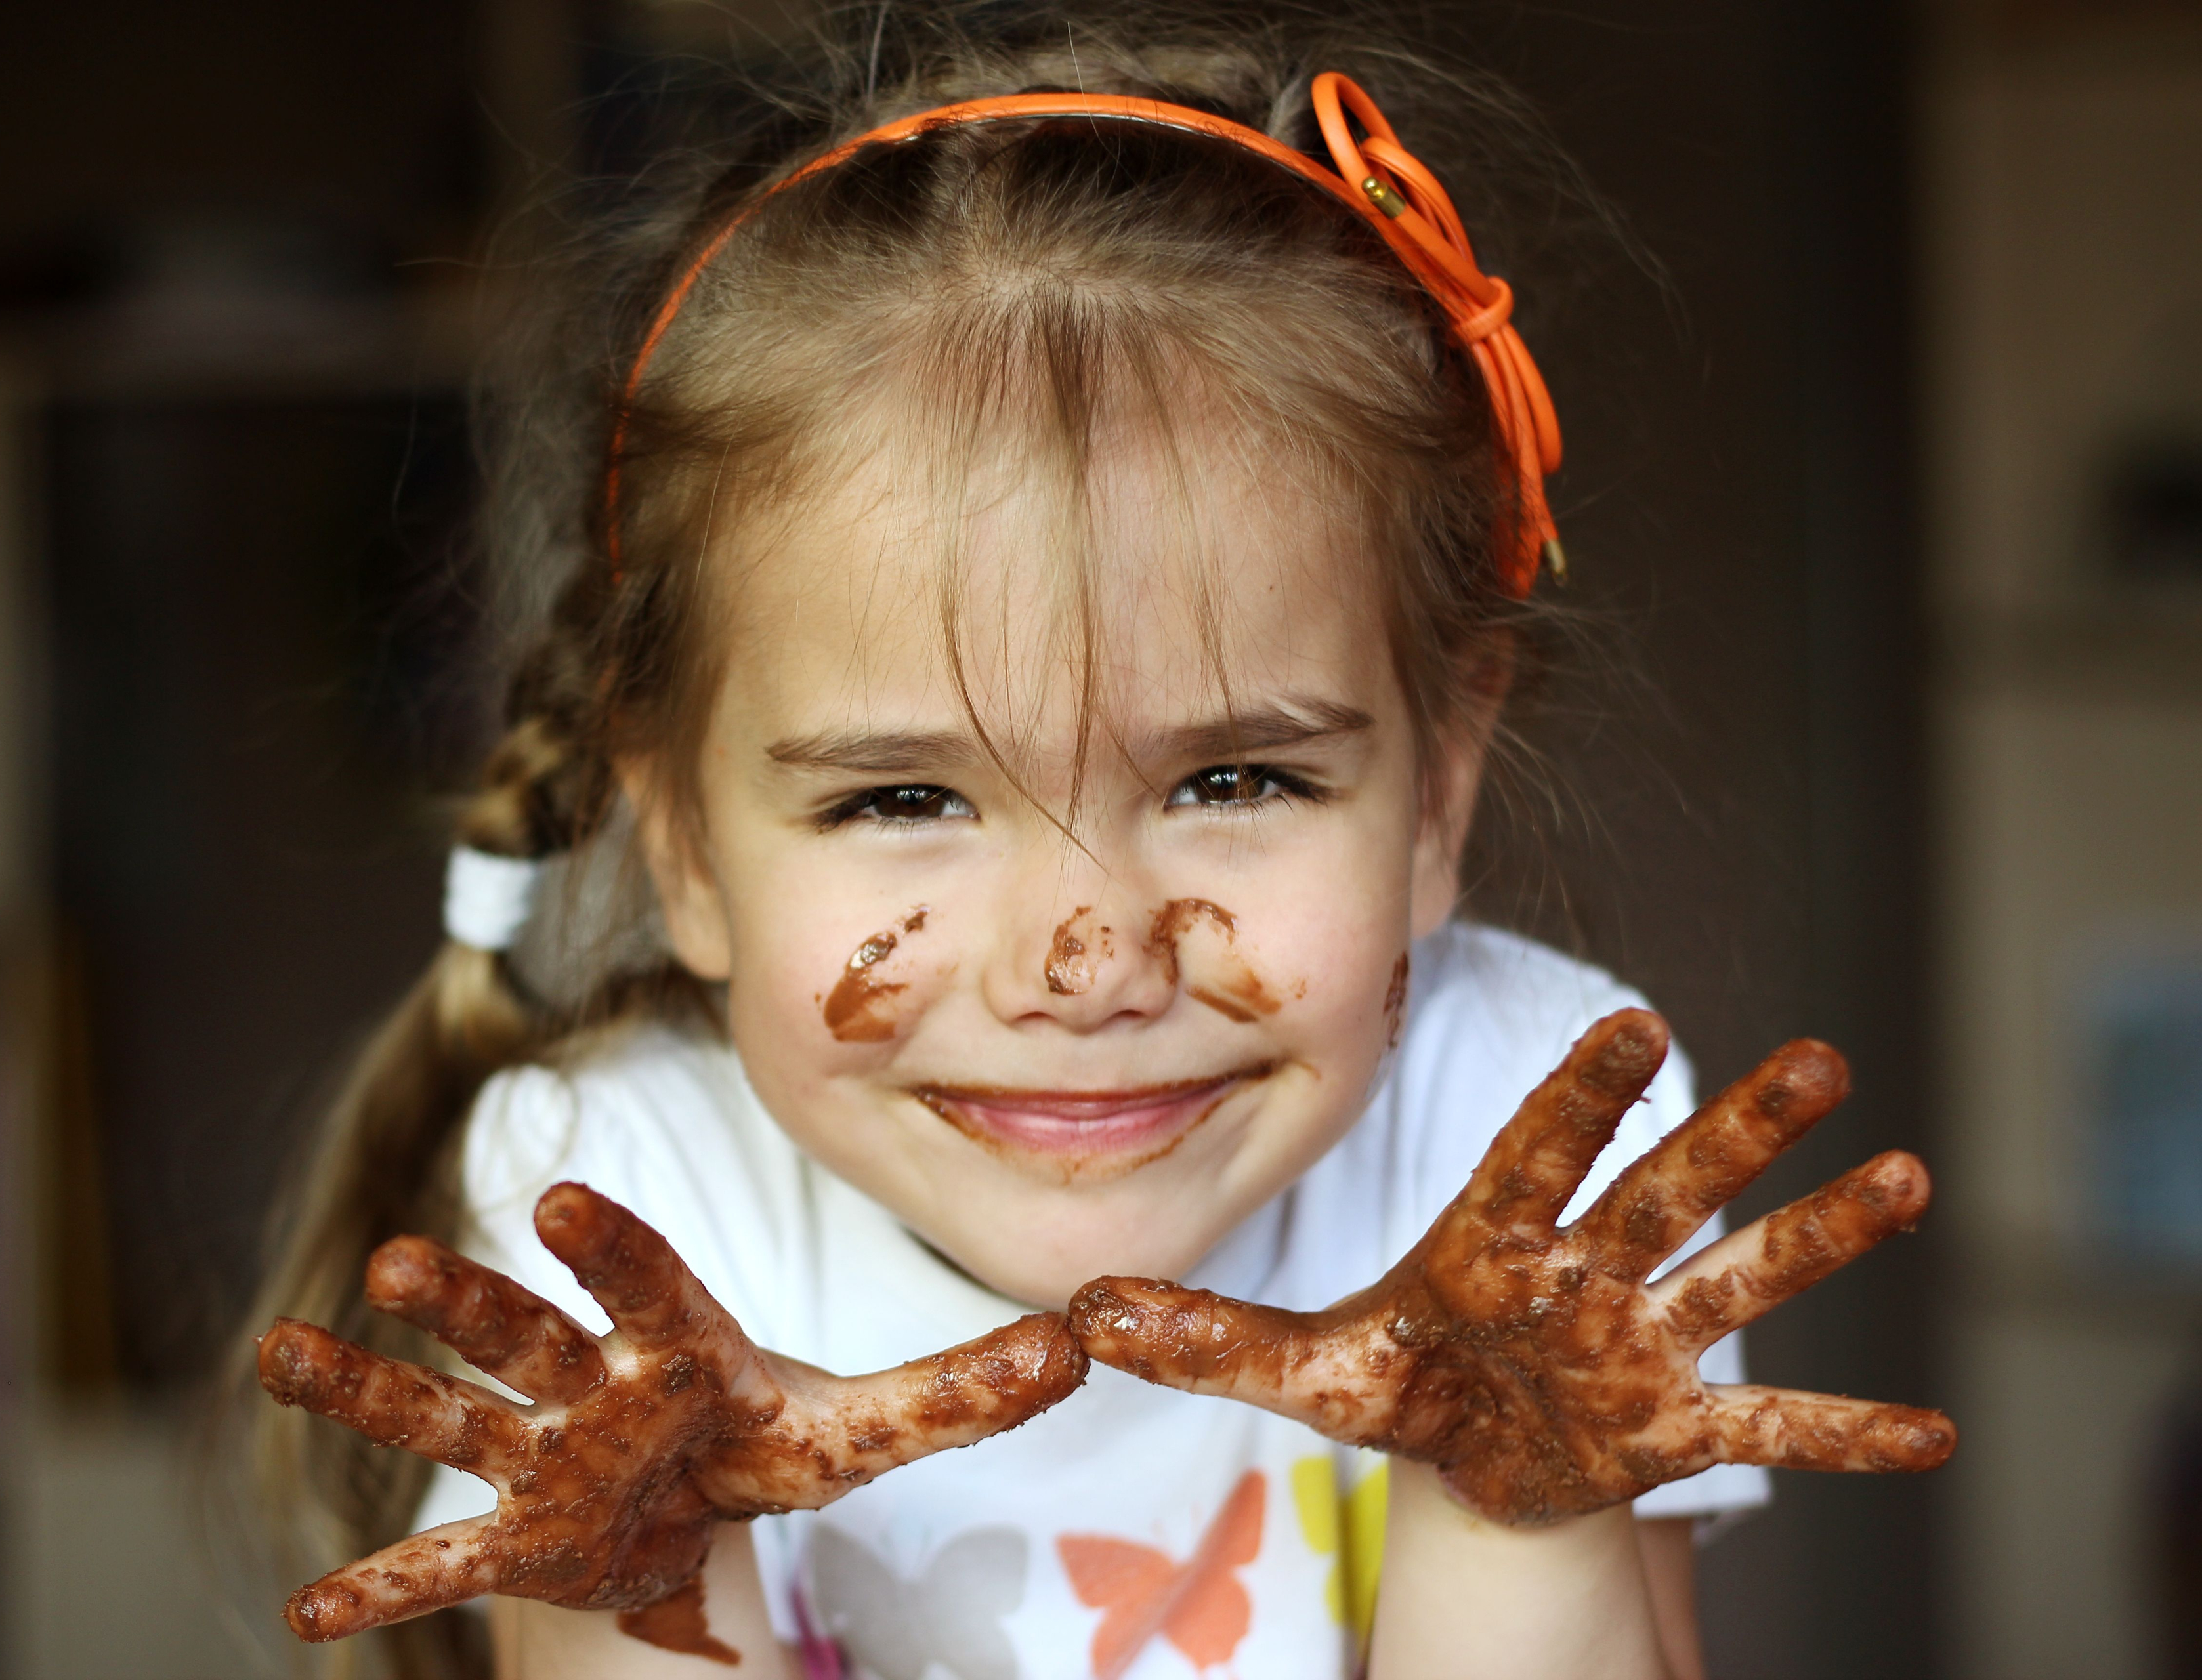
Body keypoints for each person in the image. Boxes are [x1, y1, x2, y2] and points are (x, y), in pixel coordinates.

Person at [240, 6, 1955, 1677]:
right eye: (901, 799)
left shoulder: (1527, 1132)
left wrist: (1512, 1498)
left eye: (1235, 782)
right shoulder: (618, 1203)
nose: (1087, 955)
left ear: (1439, 791)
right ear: (681, 842)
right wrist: (637, 1580)